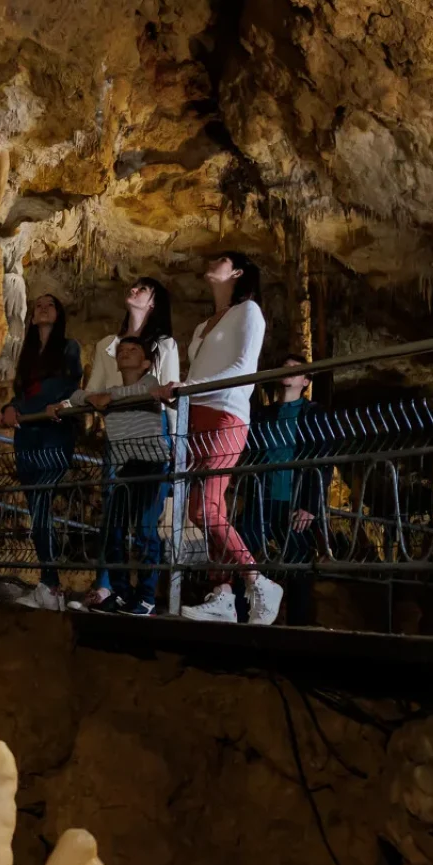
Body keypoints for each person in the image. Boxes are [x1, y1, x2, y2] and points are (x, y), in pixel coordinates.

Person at [151, 251, 282, 624]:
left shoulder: (249, 312)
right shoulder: (201, 326)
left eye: (221, 259)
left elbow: (243, 367)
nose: (211, 262)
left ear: (237, 272)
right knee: (211, 509)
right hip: (197, 417)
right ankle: (223, 593)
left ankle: (258, 580)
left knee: (203, 507)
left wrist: (187, 387)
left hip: (227, 411)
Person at [62, 337, 171, 615]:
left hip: (152, 465)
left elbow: (145, 391)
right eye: (122, 350)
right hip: (124, 469)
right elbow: (76, 396)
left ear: (146, 363)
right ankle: (123, 594)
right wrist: (91, 397)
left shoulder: (149, 384)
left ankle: (147, 598)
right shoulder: (110, 392)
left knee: (146, 531)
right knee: (112, 532)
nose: (126, 353)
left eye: (134, 350)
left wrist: (107, 398)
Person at [1, 293, 84, 610]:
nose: (43, 307)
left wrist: (16, 407)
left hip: (53, 434)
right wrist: (10, 406)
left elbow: (61, 387)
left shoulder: (69, 347)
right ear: (32, 317)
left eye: (50, 304)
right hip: (28, 438)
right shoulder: (27, 356)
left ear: (59, 314)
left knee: (41, 504)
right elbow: (20, 391)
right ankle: (49, 585)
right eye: (38, 305)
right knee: (37, 509)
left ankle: (51, 586)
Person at [236, 354, 322, 625]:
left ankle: (299, 627)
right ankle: (238, 617)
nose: (288, 371)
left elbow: (322, 463)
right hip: (260, 499)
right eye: (284, 367)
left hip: (293, 501)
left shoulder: (313, 414)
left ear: (306, 381)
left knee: (298, 567)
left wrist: (310, 505)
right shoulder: (262, 414)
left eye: (296, 370)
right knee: (241, 555)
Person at [85, 277, 180, 394]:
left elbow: (171, 391)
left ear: (153, 303)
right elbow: (92, 391)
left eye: (143, 289)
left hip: (151, 411)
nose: (134, 290)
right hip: (115, 411)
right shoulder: (105, 345)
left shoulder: (165, 344)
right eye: (134, 287)